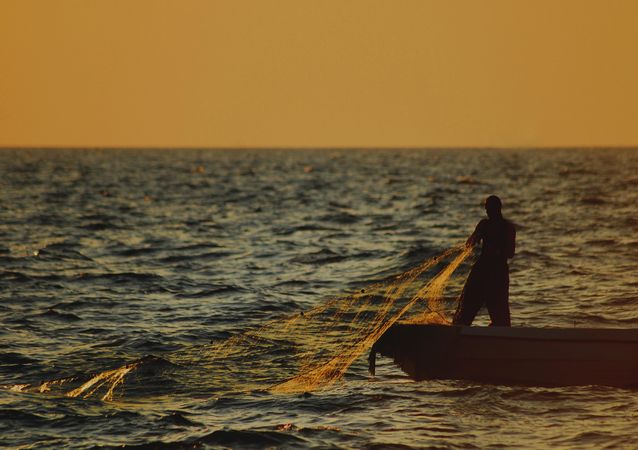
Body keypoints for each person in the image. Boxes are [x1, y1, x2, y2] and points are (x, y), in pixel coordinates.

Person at [452, 195, 516, 326]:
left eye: (489, 208)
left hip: (497, 273)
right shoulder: (484, 225)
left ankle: (499, 335)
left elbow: (510, 253)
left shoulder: (507, 228)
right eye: (486, 208)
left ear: (497, 208)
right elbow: (470, 243)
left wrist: (497, 250)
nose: (487, 211)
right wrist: (477, 235)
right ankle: (459, 331)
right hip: (482, 271)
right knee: (467, 308)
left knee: (499, 311)